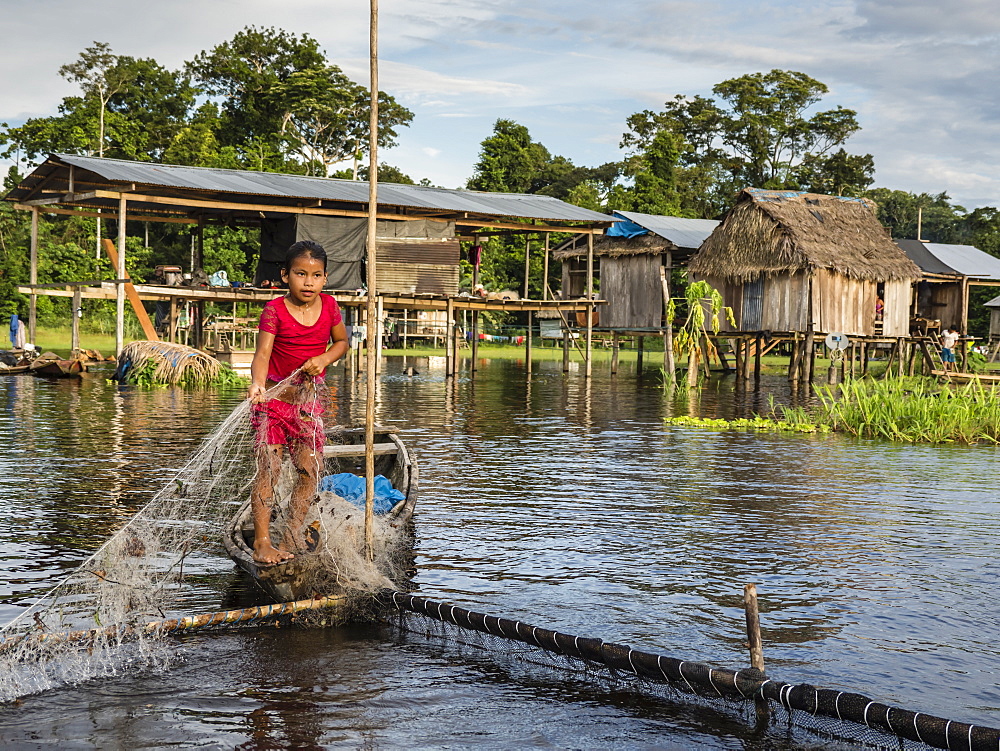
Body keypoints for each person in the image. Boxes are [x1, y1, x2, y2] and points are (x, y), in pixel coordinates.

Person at [249, 241, 349, 565]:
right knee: (270, 469)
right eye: (300, 274)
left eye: (316, 275)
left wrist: (324, 358)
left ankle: (290, 534)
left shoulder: (330, 307)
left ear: (325, 278)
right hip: (274, 404)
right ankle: (262, 543)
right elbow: (262, 355)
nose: (308, 282)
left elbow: (342, 342)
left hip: (307, 405)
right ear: (285, 275)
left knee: (309, 470)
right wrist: (257, 384)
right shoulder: (275, 311)